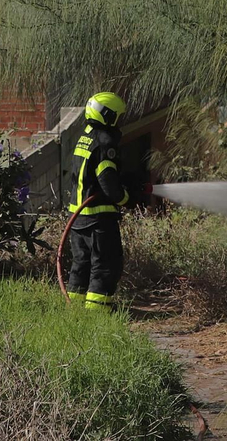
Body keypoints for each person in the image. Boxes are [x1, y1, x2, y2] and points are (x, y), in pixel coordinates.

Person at [66, 90, 129, 310]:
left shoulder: (85, 135)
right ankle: (97, 312)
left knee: (80, 265)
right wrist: (124, 198)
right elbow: (108, 182)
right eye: (117, 116)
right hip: (98, 218)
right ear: (108, 115)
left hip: (77, 218)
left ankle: (74, 309)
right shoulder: (105, 143)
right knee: (105, 265)